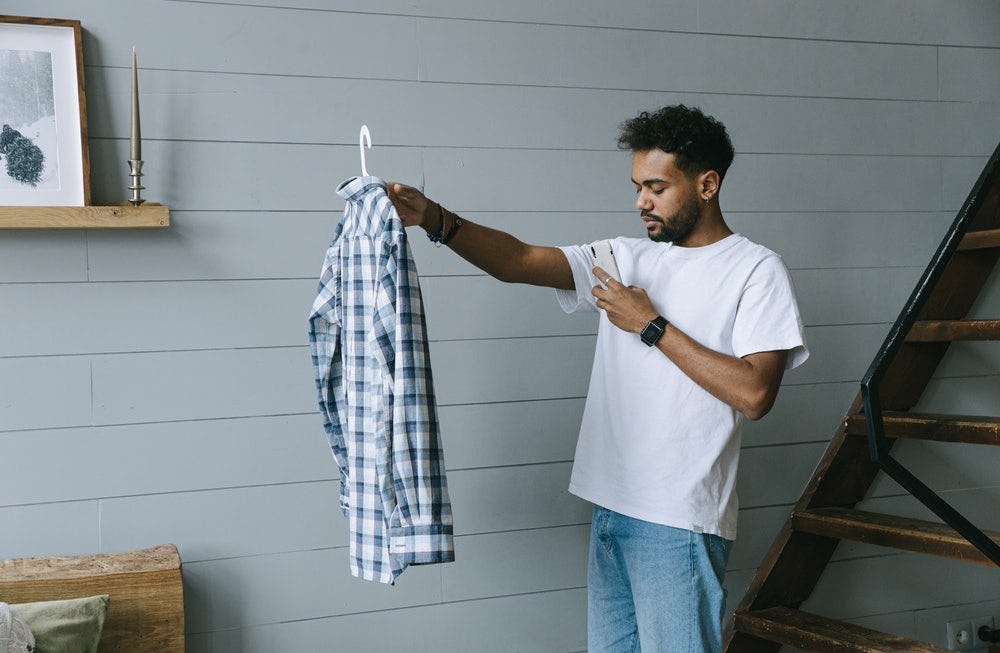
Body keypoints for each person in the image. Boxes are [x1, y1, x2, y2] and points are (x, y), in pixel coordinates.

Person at [388, 105, 808, 652]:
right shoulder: (623, 258)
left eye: (656, 187)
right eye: (637, 187)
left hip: (678, 520)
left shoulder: (756, 269)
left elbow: (755, 393)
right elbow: (518, 260)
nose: (641, 202)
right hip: (611, 507)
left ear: (708, 184)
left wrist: (650, 324)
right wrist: (434, 219)